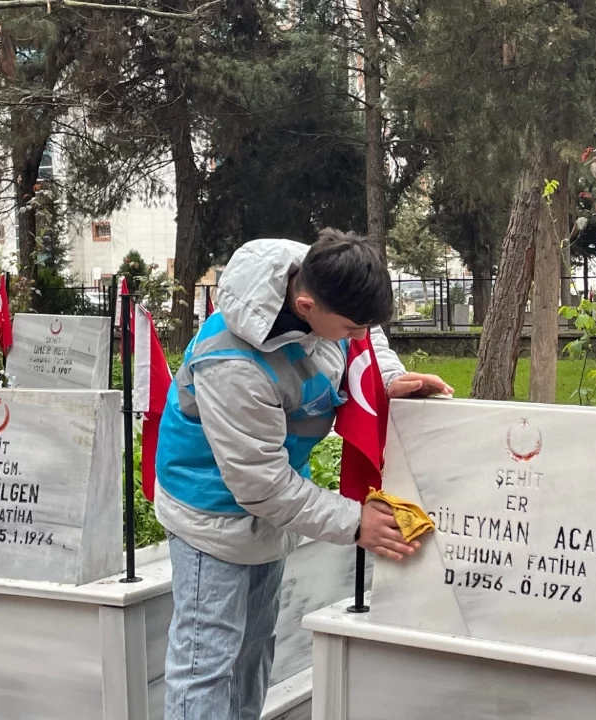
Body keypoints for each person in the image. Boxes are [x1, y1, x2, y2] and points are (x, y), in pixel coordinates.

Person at [154, 230, 452, 720]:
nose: (358, 336)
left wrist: (388, 379)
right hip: (211, 512)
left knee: (252, 651)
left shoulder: (321, 274)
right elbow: (261, 484)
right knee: (206, 660)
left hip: (269, 504)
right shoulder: (232, 365)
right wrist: (355, 522)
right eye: (350, 327)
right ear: (307, 306)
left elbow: (366, 336)